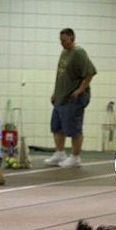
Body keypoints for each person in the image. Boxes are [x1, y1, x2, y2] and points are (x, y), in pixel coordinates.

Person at [45, 28, 97, 168]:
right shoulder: (64, 53)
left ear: (72, 39)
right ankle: (60, 153)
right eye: (60, 40)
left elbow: (90, 73)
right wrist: (55, 92)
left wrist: (80, 90)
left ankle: (75, 157)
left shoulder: (78, 53)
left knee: (74, 129)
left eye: (64, 40)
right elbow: (61, 75)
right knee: (57, 127)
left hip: (73, 98)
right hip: (60, 97)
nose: (62, 43)